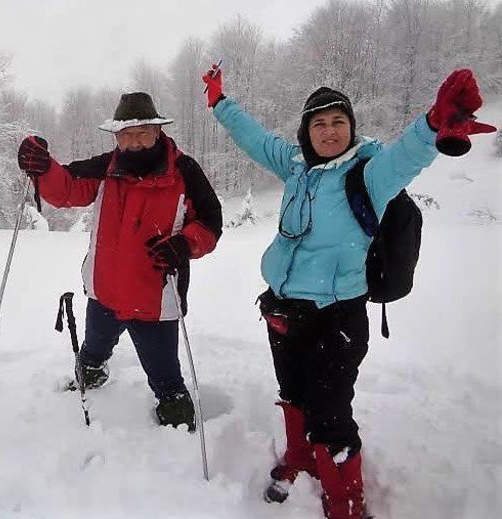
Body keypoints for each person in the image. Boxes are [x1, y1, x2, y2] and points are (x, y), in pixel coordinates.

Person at [201, 67, 496, 518]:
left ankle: (346, 501)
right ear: (306, 131)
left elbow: (407, 156)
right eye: (319, 124)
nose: (329, 131)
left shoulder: (369, 174)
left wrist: (434, 122)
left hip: (336, 317)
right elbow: (255, 137)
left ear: (351, 127)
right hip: (284, 309)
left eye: (338, 121)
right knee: (294, 392)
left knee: (331, 413)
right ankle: (301, 459)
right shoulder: (296, 166)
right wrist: (221, 103)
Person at [17, 92, 222, 431]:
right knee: (94, 347)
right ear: (116, 137)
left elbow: (211, 222)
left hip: (154, 299)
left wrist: (184, 244)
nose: (134, 143)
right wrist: (43, 166)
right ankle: (92, 372)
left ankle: (174, 407)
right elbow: (66, 188)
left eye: (142, 132)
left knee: (164, 372)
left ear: (157, 132)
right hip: (105, 291)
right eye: (126, 135)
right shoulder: (107, 167)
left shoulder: (185, 171)